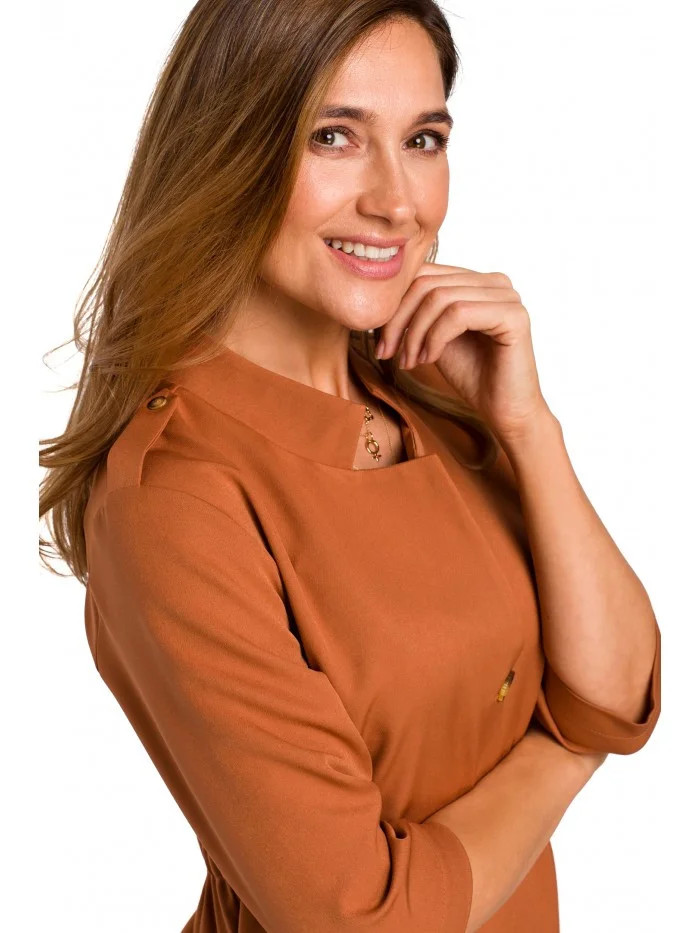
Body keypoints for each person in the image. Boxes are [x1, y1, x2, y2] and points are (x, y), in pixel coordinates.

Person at [39, 1, 661, 930]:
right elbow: (366, 917)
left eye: (423, 139)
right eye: (334, 136)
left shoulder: (429, 382)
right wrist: (567, 751)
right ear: (229, 150)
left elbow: (623, 684)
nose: (397, 201)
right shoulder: (174, 496)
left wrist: (530, 428)